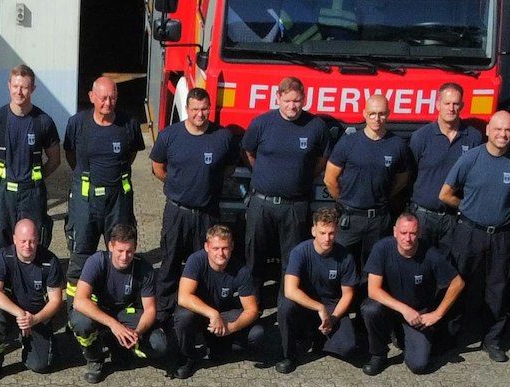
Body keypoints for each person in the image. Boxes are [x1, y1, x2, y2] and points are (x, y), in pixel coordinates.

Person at [440, 110, 510, 363]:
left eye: (508, 130)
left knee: (499, 289)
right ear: (488, 131)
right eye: (498, 129)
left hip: (502, 237)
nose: (503, 135)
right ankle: (450, 338)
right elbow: (446, 193)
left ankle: (492, 340)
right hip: (469, 233)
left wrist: (504, 211)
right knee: (459, 285)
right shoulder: (471, 158)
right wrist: (467, 207)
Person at [240, 77, 335, 286]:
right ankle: (250, 307)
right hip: (261, 204)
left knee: (292, 262)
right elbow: (247, 152)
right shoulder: (261, 123)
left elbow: (321, 160)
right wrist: (263, 174)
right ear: (278, 98)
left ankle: (288, 309)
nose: (292, 106)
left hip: (295, 206)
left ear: (304, 99)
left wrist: (301, 177)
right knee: (254, 257)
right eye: (288, 101)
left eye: (297, 101)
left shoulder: (316, 126)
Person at [150, 88, 239, 307]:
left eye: (204, 109)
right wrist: (178, 186)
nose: (200, 114)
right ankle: (164, 309)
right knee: (170, 261)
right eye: (195, 110)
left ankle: (200, 307)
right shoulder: (169, 135)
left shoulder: (223, 137)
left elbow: (229, 167)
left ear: (211, 109)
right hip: (176, 212)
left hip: (207, 214)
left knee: (204, 263)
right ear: (187, 109)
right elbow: (158, 168)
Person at [64, 75, 144, 296]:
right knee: (81, 253)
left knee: (120, 252)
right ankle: (76, 309)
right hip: (86, 199)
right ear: (91, 97)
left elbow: (132, 153)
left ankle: (115, 299)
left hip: (118, 199)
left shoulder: (129, 124)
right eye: (103, 98)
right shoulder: (77, 124)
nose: (108, 103)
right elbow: (70, 154)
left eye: (112, 98)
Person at [362, 213, 466, 376]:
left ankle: (401, 335)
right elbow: (373, 290)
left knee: (419, 365)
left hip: (418, 313)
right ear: (395, 232)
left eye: (412, 233)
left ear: (419, 233)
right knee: (370, 309)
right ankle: (379, 354)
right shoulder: (382, 248)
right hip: (389, 307)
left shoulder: (431, 254)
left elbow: (458, 283)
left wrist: (437, 314)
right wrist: (404, 309)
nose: (408, 238)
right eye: (403, 233)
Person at [71, 223, 167, 383]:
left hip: (125, 313)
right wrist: (114, 325)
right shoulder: (96, 262)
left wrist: (138, 332)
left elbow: (150, 310)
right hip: (100, 310)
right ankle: (94, 359)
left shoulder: (144, 268)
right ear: (110, 246)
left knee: (160, 345)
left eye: (129, 251)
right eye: (120, 251)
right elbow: (79, 301)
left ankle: (118, 344)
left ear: (135, 248)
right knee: (80, 321)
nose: (124, 257)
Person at [0, 64, 60, 252]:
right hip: (3, 192)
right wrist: (1, 173)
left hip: (32, 193)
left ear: (32, 88)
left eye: (24, 87)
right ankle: (3, 280)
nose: (19, 92)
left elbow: (55, 159)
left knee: (33, 241)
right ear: (9, 85)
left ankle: (32, 279)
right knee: (0, 238)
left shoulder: (43, 122)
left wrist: (35, 178)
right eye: (15, 86)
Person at [325, 95, 410, 269]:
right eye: (372, 114)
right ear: (364, 113)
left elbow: (402, 180)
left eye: (381, 114)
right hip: (349, 219)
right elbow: (329, 179)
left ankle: (369, 297)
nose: (376, 119)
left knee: (374, 269)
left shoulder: (397, 145)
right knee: (340, 265)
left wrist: (384, 195)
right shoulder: (348, 142)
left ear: (388, 114)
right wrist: (344, 200)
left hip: (379, 220)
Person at [171, 224, 266, 379]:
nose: (220, 253)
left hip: (224, 316)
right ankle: (187, 357)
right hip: (200, 314)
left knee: (257, 334)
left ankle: (218, 345)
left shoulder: (241, 271)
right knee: (183, 316)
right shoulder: (195, 261)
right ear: (207, 247)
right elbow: (183, 297)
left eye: (225, 248)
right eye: (216, 248)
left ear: (232, 247)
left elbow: (252, 310)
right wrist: (212, 313)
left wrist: (231, 327)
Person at [276, 208, 364, 373]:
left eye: (331, 233)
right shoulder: (300, 252)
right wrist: (319, 307)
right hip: (305, 304)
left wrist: (334, 318)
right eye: (322, 233)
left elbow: (348, 295)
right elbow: (290, 290)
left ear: (336, 232)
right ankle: (289, 356)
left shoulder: (345, 257)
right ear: (313, 230)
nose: (327, 238)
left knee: (348, 348)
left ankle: (318, 338)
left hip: (332, 305)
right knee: (285, 306)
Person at [0, 218, 64, 383]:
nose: (27, 246)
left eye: (32, 241)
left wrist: (34, 319)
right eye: (23, 241)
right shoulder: (3, 257)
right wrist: (20, 314)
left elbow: (56, 301)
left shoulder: (50, 261)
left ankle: (32, 345)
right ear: (14, 239)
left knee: (42, 365)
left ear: (38, 239)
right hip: (8, 311)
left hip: (36, 316)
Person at [407, 83, 484, 251]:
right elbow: (408, 175)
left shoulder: (474, 138)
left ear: (462, 106)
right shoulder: (421, 137)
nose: (451, 108)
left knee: (451, 269)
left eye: (456, 104)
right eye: (447, 103)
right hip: (423, 217)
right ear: (438, 104)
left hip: (456, 219)